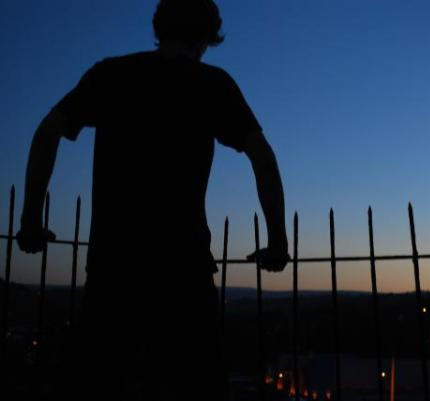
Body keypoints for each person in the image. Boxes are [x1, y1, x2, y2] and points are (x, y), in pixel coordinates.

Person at [16, 0, 289, 399]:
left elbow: (47, 131)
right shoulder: (212, 84)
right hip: (184, 269)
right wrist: (277, 240)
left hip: (113, 268)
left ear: (159, 28)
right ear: (208, 36)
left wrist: (30, 218)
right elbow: (262, 158)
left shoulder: (110, 74)